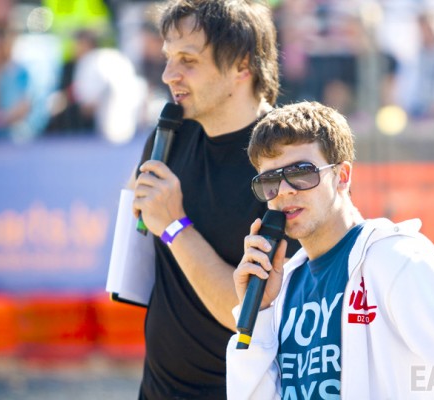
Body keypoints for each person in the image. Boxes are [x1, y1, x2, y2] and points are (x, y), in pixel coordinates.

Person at [226, 101, 434, 399]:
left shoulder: (395, 259)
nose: (284, 191)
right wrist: (259, 313)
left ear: (342, 176)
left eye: (301, 173)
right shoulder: (281, 286)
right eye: (270, 181)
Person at [129, 1, 298, 398]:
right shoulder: (168, 136)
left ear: (242, 65)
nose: (169, 75)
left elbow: (249, 315)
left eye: (188, 60)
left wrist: (175, 226)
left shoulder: (286, 161)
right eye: (169, 58)